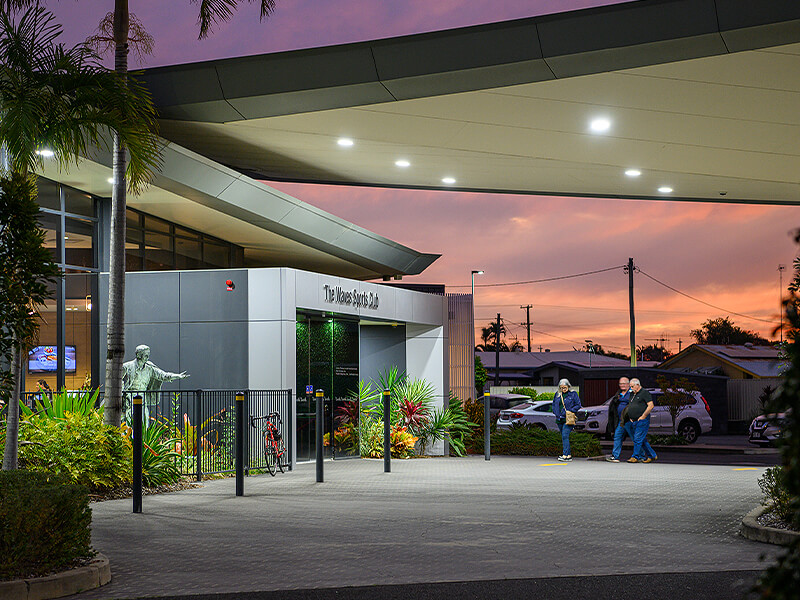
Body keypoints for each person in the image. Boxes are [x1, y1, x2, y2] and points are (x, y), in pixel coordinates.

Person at [122, 344, 189, 422]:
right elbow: (118, 380)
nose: (148, 357)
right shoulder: (127, 367)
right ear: (138, 355)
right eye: (145, 355)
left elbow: (163, 375)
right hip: (129, 397)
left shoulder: (150, 368)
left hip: (142, 397)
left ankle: (144, 434)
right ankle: (126, 434)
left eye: (148, 355)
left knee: (145, 419)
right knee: (127, 419)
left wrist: (178, 376)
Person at [624, 378, 658, 463]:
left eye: (632, 386)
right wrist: (631, 416)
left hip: (642, 420)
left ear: (637, 385)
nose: (630, 388)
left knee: (637, 438)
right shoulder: (632, 394)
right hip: (634, 420)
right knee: (642, 439)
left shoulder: (645, 393)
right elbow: (631, 405)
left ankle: (635, 456)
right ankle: (652, 455)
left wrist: (643, 416)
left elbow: (651, 405)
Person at [605, 377, 634, 463]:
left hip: (629, 420)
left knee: (635, 438)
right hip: (621, 421)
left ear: (628, 384)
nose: (622, 385)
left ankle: (640, 455)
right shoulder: (618, 393)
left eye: (624, 384)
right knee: (617, 436)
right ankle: (615, 456)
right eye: (620, 384)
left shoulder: (632, 393)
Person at [552, 378, 581, 462]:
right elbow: (553, 404)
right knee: (564, 437)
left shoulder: (573, 394)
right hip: (559, 419)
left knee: (565, 435)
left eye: (565, 388)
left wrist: (570, 411)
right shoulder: (557, 394)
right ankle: (568, 455)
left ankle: (565, 455)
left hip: (568, 419)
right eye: (561, 388)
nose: (563, 389)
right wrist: (555, 412)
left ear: (568, 386)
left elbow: (578, 405)